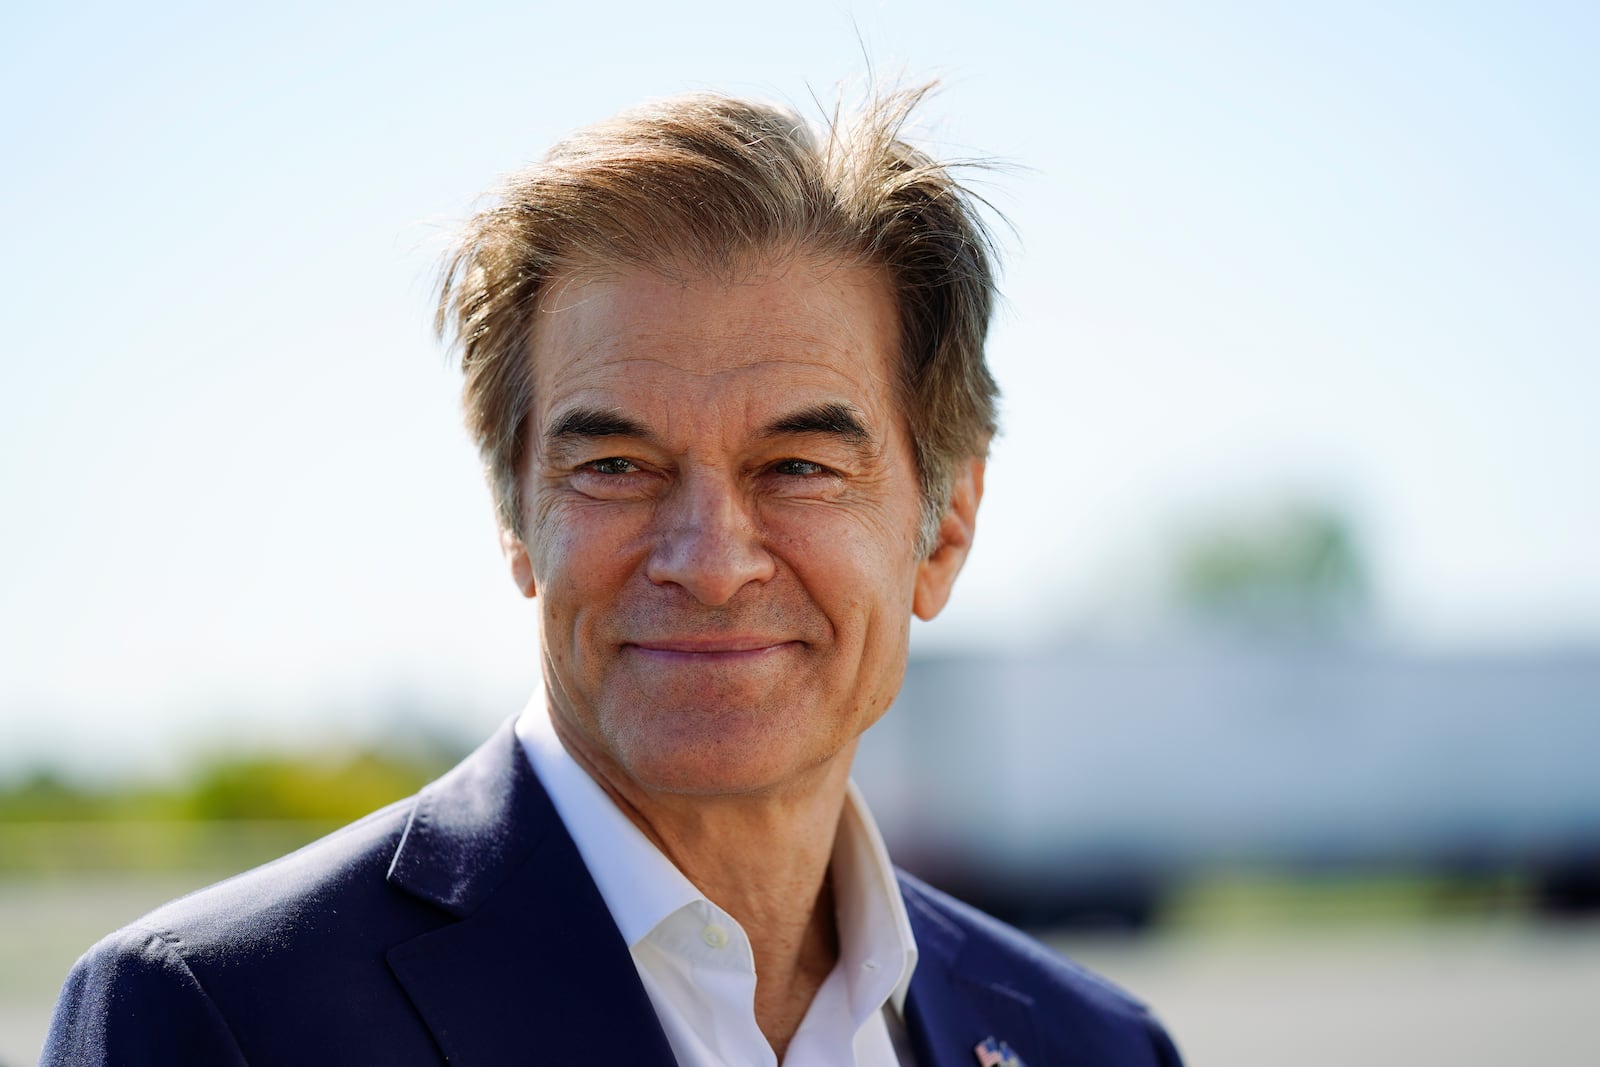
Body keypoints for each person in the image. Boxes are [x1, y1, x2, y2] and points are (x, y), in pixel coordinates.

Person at [43, 86, 1183, 1066]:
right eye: (617, 465)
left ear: (942, 529)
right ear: (515, 513)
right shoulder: (219, 1018)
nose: (708, 559)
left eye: (796, 464)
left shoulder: (1095, 1044)